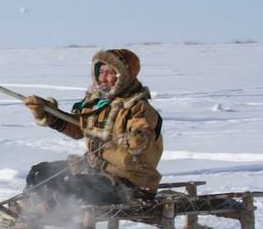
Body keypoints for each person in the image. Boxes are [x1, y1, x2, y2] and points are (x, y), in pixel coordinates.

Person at [18, 49, 163, 219]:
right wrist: (47, 114)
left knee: (72, 186)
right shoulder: (98, 103)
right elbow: (79, 129)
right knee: (41, 172)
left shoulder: (139, 108)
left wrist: (138, 135)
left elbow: (139, 142)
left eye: (110, 72)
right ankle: (22, 209)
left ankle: (36, 218)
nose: (103, 77)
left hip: (129, 183)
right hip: (95, 171)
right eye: (101, 71)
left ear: (124, 76)